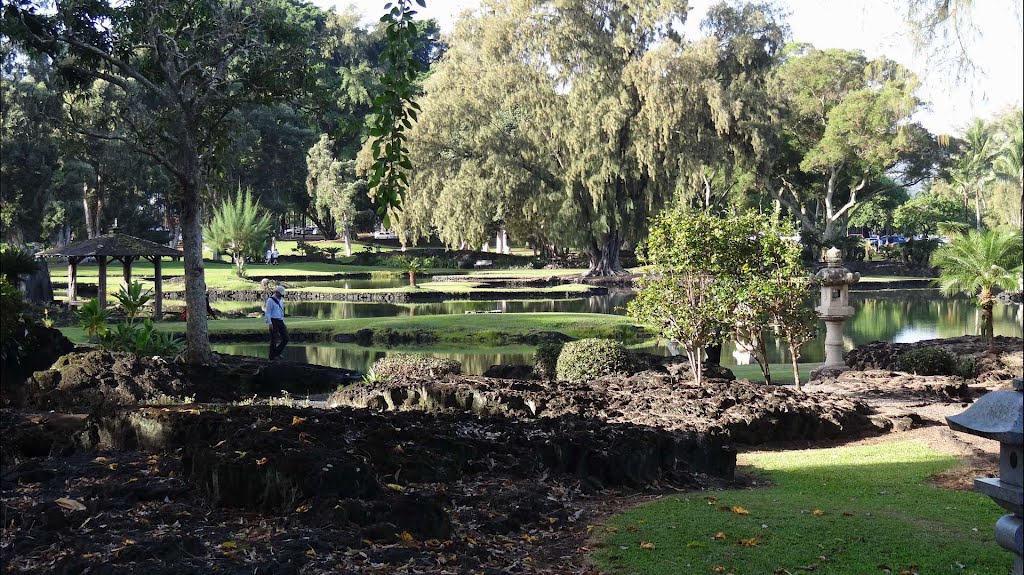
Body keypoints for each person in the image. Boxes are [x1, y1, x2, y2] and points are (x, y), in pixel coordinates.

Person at [265, 285, 288, 360]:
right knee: (274, 339)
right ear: (277, 292)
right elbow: (268, 312)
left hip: (280, 321)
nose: (282, 296)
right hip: (273, 321)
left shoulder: (280, 300)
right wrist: (269, 323)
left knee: (286, 338)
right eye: (280, 294)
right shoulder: (270, 300)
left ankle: (277, 353)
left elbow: (281, 311)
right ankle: (272, 357)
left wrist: (282, 320)